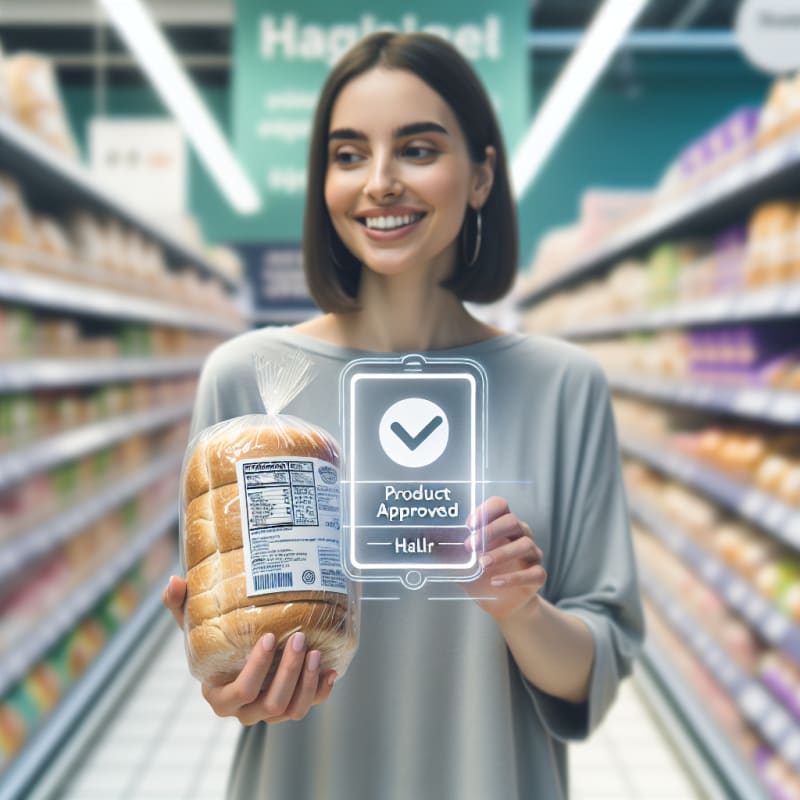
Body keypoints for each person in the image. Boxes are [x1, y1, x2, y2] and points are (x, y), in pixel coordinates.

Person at [163, 31, 644, 799]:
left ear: (482, 175)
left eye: (417, 149)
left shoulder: (563, 386)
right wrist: (230, 686)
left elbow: (598, 663)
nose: (380, 182)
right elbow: (220, 646)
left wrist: (521, 610)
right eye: (349, 155)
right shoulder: (249, 383)